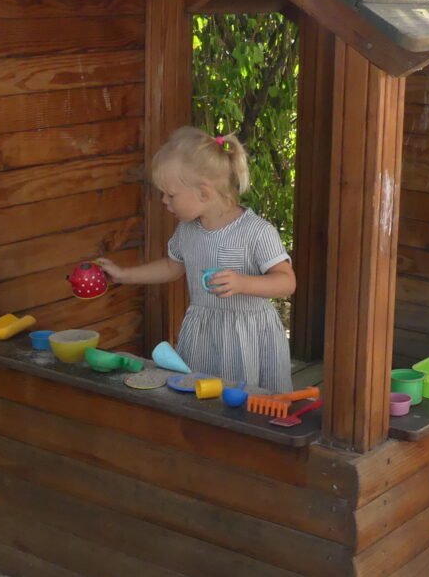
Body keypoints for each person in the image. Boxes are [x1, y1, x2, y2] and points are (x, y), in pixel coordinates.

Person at [96, 126, 295, 393]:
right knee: (202, 398)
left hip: (248, 338)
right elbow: (171, 266)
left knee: (253, 406)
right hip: (203, 335)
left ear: (204, 192)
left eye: (171, 194)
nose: (164, 201)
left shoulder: (256, 232)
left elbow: (286, 283)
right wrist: (124, 275)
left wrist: (242, 283)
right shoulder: (187, 231)